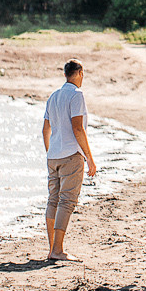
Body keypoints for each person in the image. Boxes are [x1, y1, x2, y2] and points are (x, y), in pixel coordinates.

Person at [43, 59, 97, 261]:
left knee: (53, 200)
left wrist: (51, 152)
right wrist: (89, 158)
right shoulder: (77, 95)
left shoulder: (53, 96)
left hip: (53, 156)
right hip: (70, 155)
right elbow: (78, 128)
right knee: (66, 202)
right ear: (80, 73)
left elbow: (45, 129)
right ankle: (57, 250)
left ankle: (52, 249)